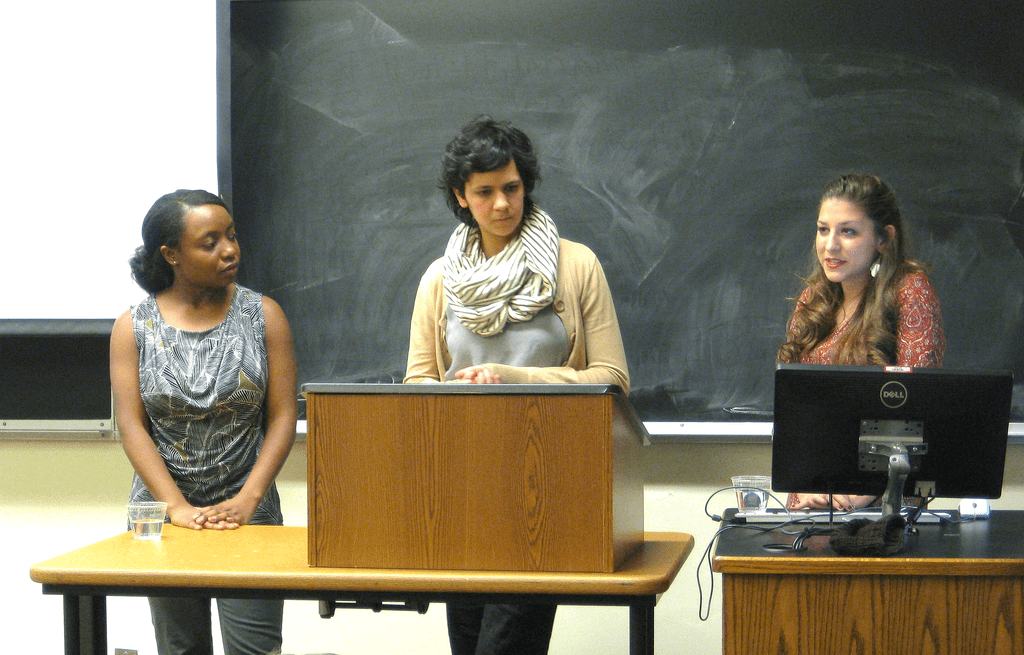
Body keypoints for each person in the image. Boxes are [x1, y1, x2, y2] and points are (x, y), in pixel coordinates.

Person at [405, 116, 630, 655]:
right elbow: (416, 386)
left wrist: (513, 379)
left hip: (544, 487)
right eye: (485, 192)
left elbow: (612, 380)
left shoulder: (574, 266)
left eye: (511, 188)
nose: (502, 204)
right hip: (459, 489)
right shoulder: (440, 277)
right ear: (462, 196)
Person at [110, 189, 297, 655]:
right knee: (180, 649)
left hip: (249, 513)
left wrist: (248, 499)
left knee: (255, 649)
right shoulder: (133, 327)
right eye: (209, 242)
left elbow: (283, 416)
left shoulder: (263, 316)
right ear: (171, 255)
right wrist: (175, 507)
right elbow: (131, 426)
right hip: (165, 516)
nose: (229, 249)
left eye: (231, 236)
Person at [777, 173, 945, 511]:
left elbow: (919, 407)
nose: (830, 245)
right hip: (814, 498)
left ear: (883, 239)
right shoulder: (813, 300)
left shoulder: (909, 292)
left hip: (883, 504)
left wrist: (868, 487)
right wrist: (805, 487)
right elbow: (796, 415)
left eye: (848, 231)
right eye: (823, 229)